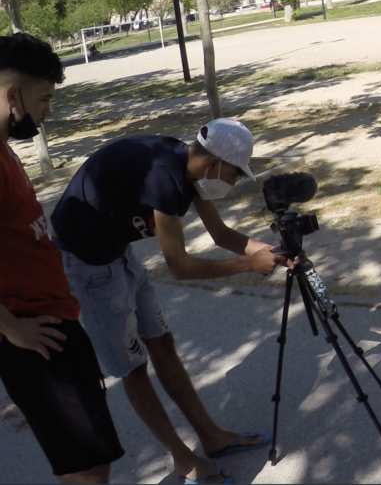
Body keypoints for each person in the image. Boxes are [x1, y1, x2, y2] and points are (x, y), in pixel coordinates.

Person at [51, 119, 287, 485]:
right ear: (215, 162)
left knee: (162, 342)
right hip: (87, 264)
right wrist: (248, 265)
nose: (235, 180)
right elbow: (180, 266)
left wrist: (275, 251)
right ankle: (182, 458)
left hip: (117, 250)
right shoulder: (164, 176)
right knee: (134, 367)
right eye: (236, 172)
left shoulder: (190, 168)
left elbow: (221, 234)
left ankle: (211, 437)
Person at [0, 33, 124, 484]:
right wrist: (12, 329)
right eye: (44, 99)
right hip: (34, 335)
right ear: (13, 95)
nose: (47, 111)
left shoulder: (3, 149)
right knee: (86, 470)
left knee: (91, 461)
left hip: (55, 322)